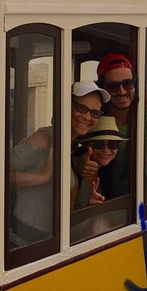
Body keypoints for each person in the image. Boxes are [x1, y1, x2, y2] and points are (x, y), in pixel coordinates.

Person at [9, 81, 109, 247]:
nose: (87, 117)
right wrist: (43, 176)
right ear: (65, 105)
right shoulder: (43, 139)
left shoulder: (70, 145)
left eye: (94, 112)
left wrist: (88, 205)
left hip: (48, 245)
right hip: (20, 246)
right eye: (81, 108)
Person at [96, 53, 147, 204]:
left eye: (128, 83)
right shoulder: (95, 111)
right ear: (103, 88)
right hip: (100, 197)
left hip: (140, 194)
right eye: (113, 86)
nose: (122, 91)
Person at [74, 116, 128, 208]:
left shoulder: (109, 172)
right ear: (86, 145)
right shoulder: (73, 169)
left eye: (112, 144)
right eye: (98, 144)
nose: (106, 149)